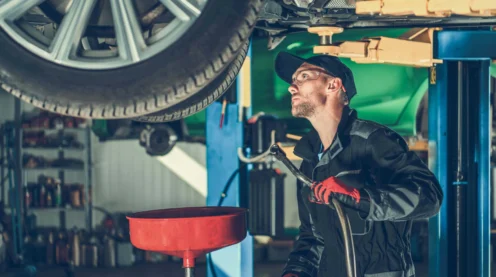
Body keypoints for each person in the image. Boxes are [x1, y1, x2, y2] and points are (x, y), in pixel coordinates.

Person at [274, 52, 443, 277]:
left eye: (303, 76)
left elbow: (429, 197)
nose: (292, 87)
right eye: (293, 80)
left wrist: (359, 197)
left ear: (333, 85)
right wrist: (295, 271)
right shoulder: (309, 160)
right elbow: (314, 236)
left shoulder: (373, 140)